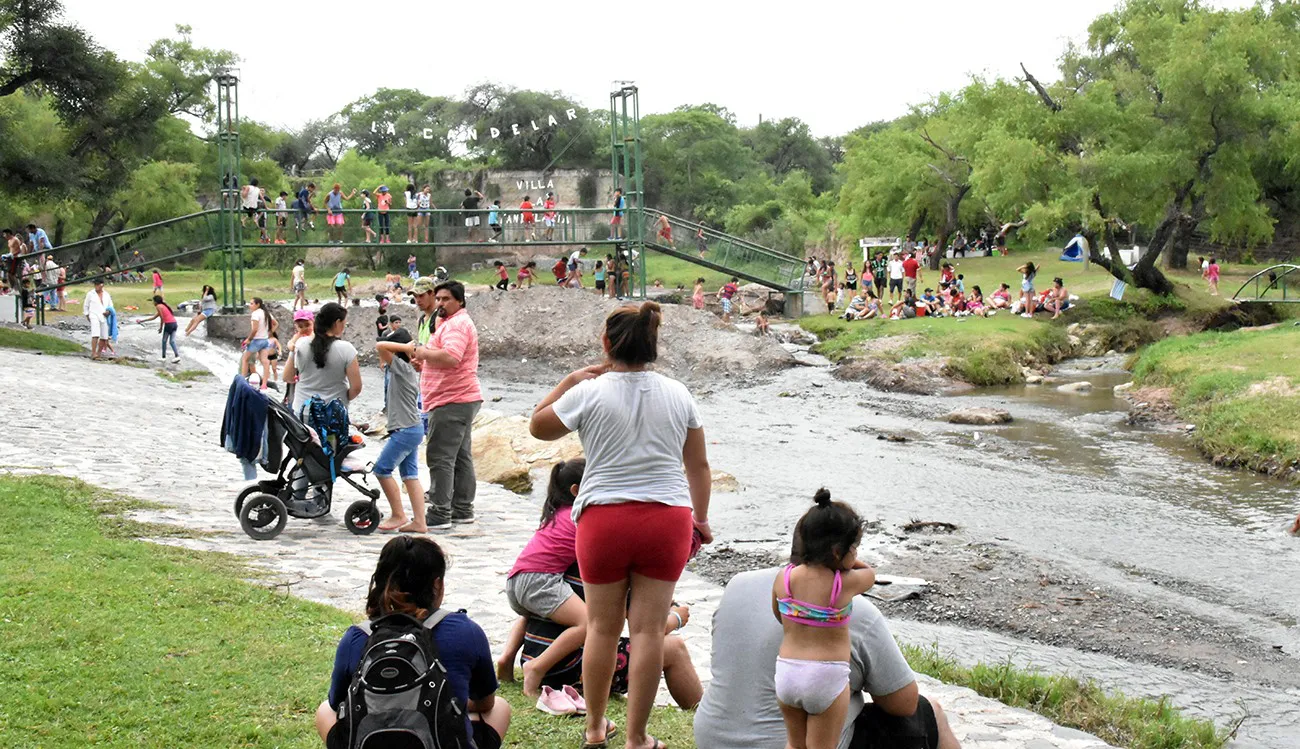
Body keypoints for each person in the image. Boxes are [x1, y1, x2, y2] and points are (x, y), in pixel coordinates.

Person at [528, 301, 713, 749]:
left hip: (603, 519)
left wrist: (570, 380)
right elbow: (699, 467)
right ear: (654, 345)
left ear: (607, 344)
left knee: (602, 628)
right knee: (649, 631)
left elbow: (538, 427)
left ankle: (594, 729)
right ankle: (637, 737)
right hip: (666, 518)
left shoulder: (588, 392)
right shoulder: (678, 394)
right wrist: (702, 520)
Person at [696, 566, 961, 749]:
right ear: (845, 558)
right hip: (783, 740)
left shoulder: (739, 584)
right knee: (931, 712)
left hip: (713, 739)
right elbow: (904, 704)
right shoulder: (852, 611)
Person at [315, 537, 511, 749]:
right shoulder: (465, 631)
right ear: (437, 585)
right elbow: (485, 703)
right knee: (500, 708)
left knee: (325, 710)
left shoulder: (357, 637)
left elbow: (337, 704)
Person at [772, 490, 877, 749]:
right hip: (825, 677)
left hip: (787, 673)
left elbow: (778, 614)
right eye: (854, 547)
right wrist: (846, 563)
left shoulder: (784, 578)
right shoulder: (842, 584)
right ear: (837, 550)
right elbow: (870, 575)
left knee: (795, 745)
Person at [499, 459, 590, 697]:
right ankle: (536, 669)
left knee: (531, 614)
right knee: (588, 624)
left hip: (516, 580)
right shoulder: (580, 518)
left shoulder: (557, 512)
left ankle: (506, 659)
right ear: (577, 491)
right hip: (540, 580)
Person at [409, 279, 482, 529]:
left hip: (451, 399)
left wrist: (422, 353)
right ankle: (462, 509)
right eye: (438, 299)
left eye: (446, 299)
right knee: (461, 456)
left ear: (459, 301)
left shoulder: (457, 325)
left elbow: (451, 357)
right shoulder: (450, 323)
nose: (440, 303)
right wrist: (426, 362)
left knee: (440, 456)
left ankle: (440, 513)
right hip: (459, 398)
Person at [373, 327, 428, 533]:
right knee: (410, 475)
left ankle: (399, 515)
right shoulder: (401, 369)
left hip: (406, 430)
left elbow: (380, 346)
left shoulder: (403, 369)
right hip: (412, 428)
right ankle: (420, 522)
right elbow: (382, 349)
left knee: (382, 469)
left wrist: (407, 348)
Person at [283, 301, 361, 416]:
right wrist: (342, 398)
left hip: (303, 411)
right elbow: (356, 387)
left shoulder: (300, 344)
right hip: (334, 414)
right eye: (344, 322)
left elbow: (287, 377)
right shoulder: (346, 349)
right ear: (337, 322)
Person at [241, 297, 274, 390]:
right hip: (265, 340)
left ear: (258, 304)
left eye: (252, 303)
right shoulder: (266, 313)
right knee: (265, 361)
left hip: (256, 340)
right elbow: (275, 324)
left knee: (245, 360)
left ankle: (242, 381)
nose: (249, 305)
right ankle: (264, 384)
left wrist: (248, 339)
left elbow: (254, 329)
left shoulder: (255, 314)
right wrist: (269, 332)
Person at [139, 295, 181, 363]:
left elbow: (162, 318)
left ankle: (164, 357)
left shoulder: (158, 306)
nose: (153, 303)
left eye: (153, 301)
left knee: (164, 341)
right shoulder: (163, 306)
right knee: (172, 341)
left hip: (169, 324)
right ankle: (177, 356)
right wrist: (142, 320)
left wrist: (161, 328)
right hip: (174, 324)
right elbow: (154, 317)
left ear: (156, 301)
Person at [84, 278, 113, 360]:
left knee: (104, 335)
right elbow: (86, 305)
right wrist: (87, 315)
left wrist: (108, 312)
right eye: (95, 285)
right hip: (93, 314)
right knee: (95, 333)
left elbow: (110, 306)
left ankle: (99, 353)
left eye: (98, 285)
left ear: (102, 285)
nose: (96, 287)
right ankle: (93, 353)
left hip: (103, 315)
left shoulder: (106, 294)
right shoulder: (90, 294)